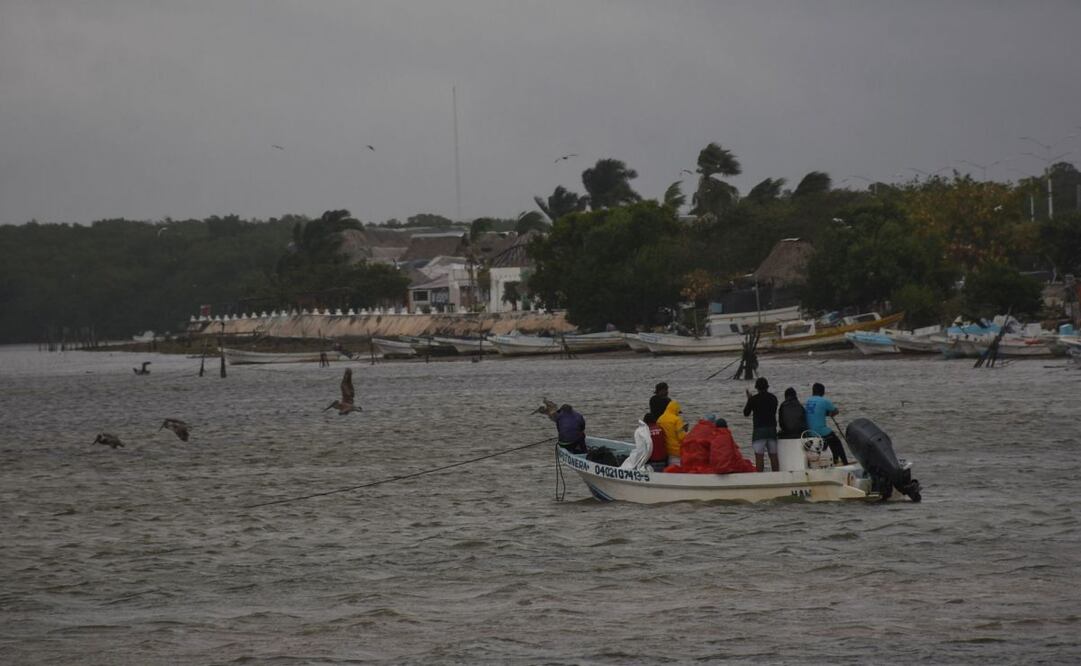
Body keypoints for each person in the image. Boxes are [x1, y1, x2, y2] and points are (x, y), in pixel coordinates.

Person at [805, 382, 849, 465]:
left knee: (831, 440)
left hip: (809, 432)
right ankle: (844, 462)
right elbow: (836, 411)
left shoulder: (808, 401)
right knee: (837, 442)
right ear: (823, 392)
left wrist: (823, 413)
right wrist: (829, 414)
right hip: (820, 431)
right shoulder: (824, 401)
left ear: (813, 391)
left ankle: (834, 461)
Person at [743, 377, 779, 472]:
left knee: (759, 456)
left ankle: (760, 477)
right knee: (773, 455)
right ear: (767, 387)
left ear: (757, 388)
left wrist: (749, 400)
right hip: (772, 429)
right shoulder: (773, 398)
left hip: (759, 430)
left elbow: (746, 413)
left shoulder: (753, 399)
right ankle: (776, 476)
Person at [657, 400, 686, 466]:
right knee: (677, 472)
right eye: (678, 412)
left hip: (666, 451)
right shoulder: (677, 419)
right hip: (677, 451)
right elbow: (681, 437)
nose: (678, 414)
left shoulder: (660, 419)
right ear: (675, 410)